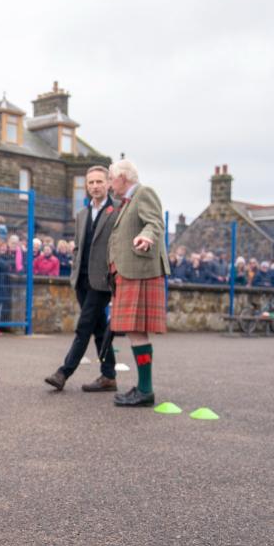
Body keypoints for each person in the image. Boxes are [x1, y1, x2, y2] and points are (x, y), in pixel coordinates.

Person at [45, 165, 118, 392]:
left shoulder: (116, 211)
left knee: (84, 326)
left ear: (108, 183)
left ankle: (63, 372)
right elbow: (78, 246)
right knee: (97, 329)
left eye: (99, 182)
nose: (95, 186)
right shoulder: (82, 213)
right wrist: (74, 270)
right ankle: (109, 376)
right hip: (81, 280)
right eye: (91, 183)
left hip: (102, 281)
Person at [107, 159, 170, 407]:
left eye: (111, 178)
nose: (111, 184)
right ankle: (144, 388)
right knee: (135, 331)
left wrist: (146, 235)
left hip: (139, 272)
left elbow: (155, 222)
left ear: (123, 177)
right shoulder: (127, 202)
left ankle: (145, 390)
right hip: (128, 273)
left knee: (136, 331)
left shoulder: (144, 193)